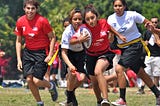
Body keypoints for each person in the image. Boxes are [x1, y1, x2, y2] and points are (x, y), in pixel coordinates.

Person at [107, 0, 160, 105]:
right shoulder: (110, 19)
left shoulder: (132, 15)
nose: (118, 8)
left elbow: (147, 22)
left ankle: (122, 99)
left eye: (120, 6)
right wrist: (111, 35)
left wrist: (149, 26)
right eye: (115, 6)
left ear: (124, 6)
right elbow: (110, 40)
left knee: (119, 68)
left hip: (136, 46)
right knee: (141, 73)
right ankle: (158, 94)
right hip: (124, 49)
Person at [79, 4, 126, 106]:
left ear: (97, 16)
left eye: (92, 17)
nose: (91, 21)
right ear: (85, 20)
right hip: (90, 55)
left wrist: (119, 35)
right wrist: (79, 40)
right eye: (87, 19)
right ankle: (99, 101)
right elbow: (73, 39)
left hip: (105, 53)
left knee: (98, 71)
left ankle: (105, 99)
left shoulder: (103, 23)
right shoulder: (83, 28)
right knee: (94, 82)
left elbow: (111, 29)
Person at [14, 0, 58, 105]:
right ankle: (39, 103)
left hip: (41, 53)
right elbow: (18, 41)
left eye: (33, 8)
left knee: (37, 81)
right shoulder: (20, 21)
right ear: (24, 8)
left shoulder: (42, 21)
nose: (30, 11)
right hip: (28, 52)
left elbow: (52, 38)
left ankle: (51, 86)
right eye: (28, 8)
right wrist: (19, 59)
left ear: (36, 9)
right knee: (29, 80)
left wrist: (50, 55)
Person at [60, 8, 87, 106]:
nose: (77, 21)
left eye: (80, 19)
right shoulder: (67, 31)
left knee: (82, 78)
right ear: (71, 20)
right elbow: (63, 52)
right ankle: (70, 100)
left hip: (81, 54)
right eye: (75, 19)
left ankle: (69, 92)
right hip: (70, 54)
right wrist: (70, 65)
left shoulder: (85, 29)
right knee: (72, 75)